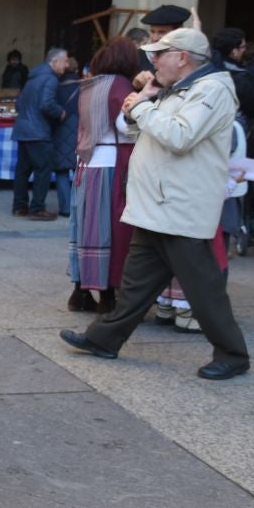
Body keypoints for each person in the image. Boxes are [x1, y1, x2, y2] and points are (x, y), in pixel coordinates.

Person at [61, 28, 251, 381]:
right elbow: (139, 130)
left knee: (203, 288)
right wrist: (143, 102)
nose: (152, 60)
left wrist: (144, 106)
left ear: (182, 57)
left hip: (180, 205)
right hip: (156, 204)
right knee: (135, 285)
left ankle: (233, 354)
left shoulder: (212, 91)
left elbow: (179, 136)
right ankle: (104, 338)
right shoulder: (179, 88)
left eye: (159, 54)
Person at [66, 37, 138, 314]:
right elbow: (126, 123)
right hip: (109, 165)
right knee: (108, 231)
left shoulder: (90, 84)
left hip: (86, 165)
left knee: (84, 231)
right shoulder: (120, 85)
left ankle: (80, 291)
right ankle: (106, 295)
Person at [11, 48, 68, 220]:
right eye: (64, 61)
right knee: (43, 170)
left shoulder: (33, 78)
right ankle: (37, 208)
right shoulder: (50, 79)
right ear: (54, 62)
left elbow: (19, 104)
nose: (66, 65)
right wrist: (60, 112)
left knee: (23, 170)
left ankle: (19, 207)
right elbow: (46, 104)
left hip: (23, 130)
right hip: (38, 131)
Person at [53, 66, 81, 219]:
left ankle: (65, 208)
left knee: (62, 171)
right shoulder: (83, 89)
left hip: (60, 133)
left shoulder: (56, 88)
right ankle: (80, 207)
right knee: (80, 173)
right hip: (79, 133)